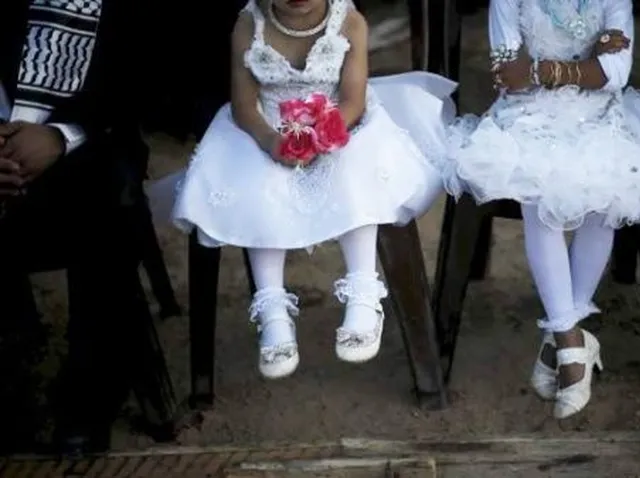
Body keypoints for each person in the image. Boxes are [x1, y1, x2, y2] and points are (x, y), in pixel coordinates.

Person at [161, 0, 456, 379]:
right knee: (257, 182)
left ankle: (363, 288)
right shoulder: (248, 26)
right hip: (269, 130)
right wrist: (271, 141)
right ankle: (271, 306)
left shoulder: (349, 21)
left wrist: (324, 135)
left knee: (356, 171)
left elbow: (353, 101)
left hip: (338, 125)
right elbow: (244, 107)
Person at [443, 0, 640, 419]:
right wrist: (583, 67)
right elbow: (509, 76)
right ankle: (570, 340)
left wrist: (542, 70)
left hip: (600, 114)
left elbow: (615, 75)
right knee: (538, 190)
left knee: (609, 188)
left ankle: (565, 340)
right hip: (526, 115)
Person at [0, 0, 155, 452]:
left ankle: (88, 399)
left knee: (107, 203)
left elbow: (143, 84)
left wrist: (59, 136)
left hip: (85, 147)